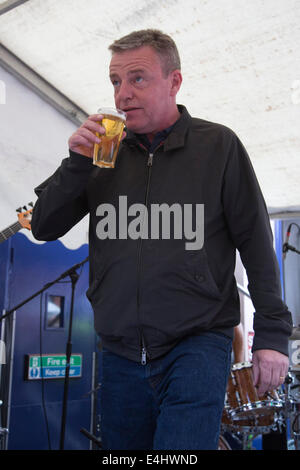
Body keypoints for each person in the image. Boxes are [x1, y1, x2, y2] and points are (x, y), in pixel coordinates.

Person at [31, 29, 293, 450]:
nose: (121, 95)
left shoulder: (218, 145)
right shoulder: (101, 151)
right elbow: (43, 226)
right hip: (118, 350)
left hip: (197, 343)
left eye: (137, 78)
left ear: (174, 82)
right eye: (115, 81)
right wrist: (75, 165)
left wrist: (273, 338)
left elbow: (258, 247)